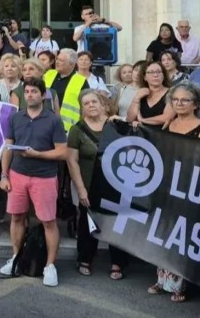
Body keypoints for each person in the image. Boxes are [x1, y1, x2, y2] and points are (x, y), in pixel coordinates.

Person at [150, 83, 200, 303]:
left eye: (185, 100)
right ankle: (162, 280)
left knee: (184, 235)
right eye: (176, 100)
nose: (179, 104)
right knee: (164, 231)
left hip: (191, 188)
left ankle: (180, 284)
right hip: (167, 185)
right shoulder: (168, 123)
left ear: (196, 103)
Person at [0, 78, 68, 287]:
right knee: (17, 218)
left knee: (48, 221)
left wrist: (38, 154)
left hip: (44, 177)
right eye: (26, 91)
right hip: (18, 175)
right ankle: (16, 258)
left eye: (34, 91)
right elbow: (8, 147)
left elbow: (62, 152)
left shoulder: (54, 120)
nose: (29, 95)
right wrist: (4, 175)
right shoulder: (16, 118)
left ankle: (50, 266)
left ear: (43, 95)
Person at [66, 90, 132, 279]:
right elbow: (72, 161)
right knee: (87, 224)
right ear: (82, 107)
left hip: (116, 185)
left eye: (94, 101)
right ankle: (85, 258)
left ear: (103, 104)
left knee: (115, 223)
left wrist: (133, 124)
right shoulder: (77, 129)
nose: (91, 105)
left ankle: (118, 262)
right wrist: (80, 190)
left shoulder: (117, 125)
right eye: (86, 103)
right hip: (88, 184)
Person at [43, 49, 89, 132]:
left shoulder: (80, 81)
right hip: (45, 124)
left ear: (71, 64)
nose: (57, 62)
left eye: (61, 60)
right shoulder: (48, 74)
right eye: (57, 59)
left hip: (68, 128)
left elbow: (86, 106)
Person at [127, 61, 174, 130]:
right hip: (143, 137)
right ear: (144, 77)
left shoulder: (172, 92)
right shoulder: (141, 93)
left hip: (164, 136)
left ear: (163, 75)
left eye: (158, 72)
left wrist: (143, 120)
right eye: (151, 72)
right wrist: (136, 98)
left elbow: (167, 117)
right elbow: (130, 118)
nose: (155, 75)